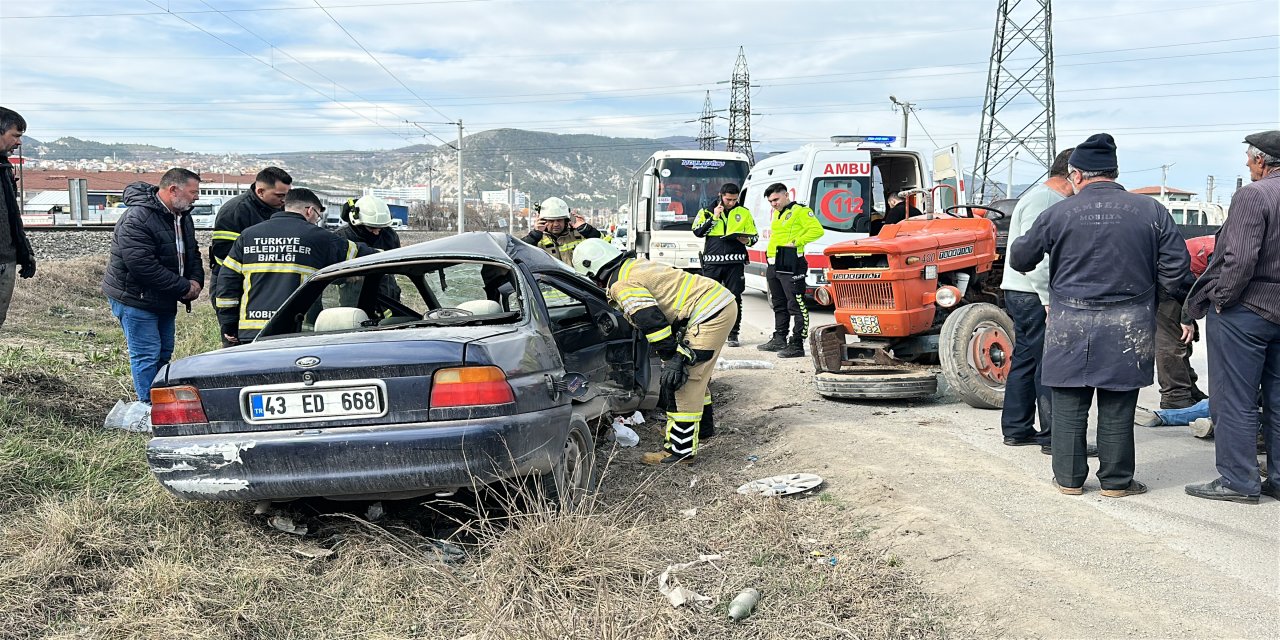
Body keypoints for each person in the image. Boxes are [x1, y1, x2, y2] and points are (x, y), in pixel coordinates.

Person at [1009, 133, 1189, 498]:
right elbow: (1176, 269)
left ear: (1075, 175)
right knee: (1118, 400)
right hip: (1130, 321)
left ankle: (1069, 480)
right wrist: (1165, 301)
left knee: (1069, 398)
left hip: (1069, 321)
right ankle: (1117, 483)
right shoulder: (1152, 211)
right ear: (1115, 171)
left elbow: (1019, 258)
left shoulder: (1057, 212)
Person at [572, 238, 736, 464]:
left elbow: (652, 321)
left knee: (684, 381)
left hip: (709, 312)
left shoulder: (621, 284)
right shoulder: (631, 266)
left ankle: (680, 451)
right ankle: (701, 430)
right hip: (715, 304)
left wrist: (672, 359)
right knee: (698, 374)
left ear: (592, 272)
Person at [1183, 130, 1280, 504]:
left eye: (1249, 158)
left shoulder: (1253, 195)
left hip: (1248, 310)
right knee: (1276, 397)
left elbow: (1238, 259)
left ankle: (1239, 480)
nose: (1246, 164)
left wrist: (1221, 299)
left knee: (1234, 397)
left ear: (1261, 161)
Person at [101, 169, 205, 404]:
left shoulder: (182, 216)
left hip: (164, 296)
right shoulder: (137, 217)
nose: (196, 197)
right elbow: (142, 266)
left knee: (164, 352)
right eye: (193, 192)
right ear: (173, 190)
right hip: (136, 297)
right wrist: (183, 287)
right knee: (146, 354)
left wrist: (196, 281)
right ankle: (149, 407)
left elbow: (192, 253)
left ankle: (160, 401)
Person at [215, 188, 360, 344]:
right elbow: (361, 254)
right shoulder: (318, 237)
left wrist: (228, 324)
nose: (316, 221)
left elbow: (227, 282)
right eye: (318, 216)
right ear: (310, 211)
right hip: (295, 332)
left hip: (252, 332)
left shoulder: (248, 235)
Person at [1000, 148, 1074, 455]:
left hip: (1023, 291)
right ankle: (1052, 436)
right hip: (1032, 293)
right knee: (1048, 364)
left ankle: (1017, 429)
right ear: (1072, 174)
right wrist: (1047, 298)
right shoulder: (1045, 201)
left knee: (1027, 360)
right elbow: (1036, 256)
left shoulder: (1041, 199)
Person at [757, 183, 823, 358]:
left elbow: (817, 230)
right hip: (775, 263)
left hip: (792, 262)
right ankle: (780, 338)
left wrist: (796, 242)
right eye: (770, 201)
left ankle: (797, 344)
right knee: (779, 303)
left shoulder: (800, 211)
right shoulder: (778, 214)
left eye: (776, 199)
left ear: (786, 195)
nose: (773, 204)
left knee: (796, 304)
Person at [692, 182, 757, 347]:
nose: (732, 203)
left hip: (735, 263)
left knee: (735, 298)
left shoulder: (744, 212)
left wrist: (747, 239)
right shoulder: (706, 211)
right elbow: (698, 232)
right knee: (708, 299)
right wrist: (714, 218)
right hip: (712, 264)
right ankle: (708, 332)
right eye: (729, 199)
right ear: (721, 195)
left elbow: (754, 237)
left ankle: (733, 334)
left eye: (735, 200)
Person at [0, 107, 35, 330]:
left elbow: (13, 216)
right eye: (16, 135)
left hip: (6, 260)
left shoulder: (4, 168)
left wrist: (25, 252)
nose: (19, 143)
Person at [521, 196, 600, 266]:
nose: (556, 224)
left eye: (559, 220)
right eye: (551, 221)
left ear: (565, 221)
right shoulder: (537, 240)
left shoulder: (579, 235)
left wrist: (587, 230)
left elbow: (605, 244)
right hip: (548, 282)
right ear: (543, 221)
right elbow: (518, 252)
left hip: (578, 281)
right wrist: (535, 235)